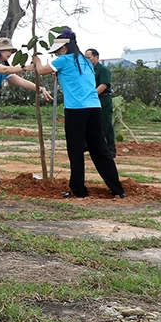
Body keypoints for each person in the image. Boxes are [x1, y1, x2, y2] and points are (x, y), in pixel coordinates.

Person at [32, 29, 126, 199]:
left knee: (75, 150)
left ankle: (78, 190)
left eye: (58, 50)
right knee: (100, 149)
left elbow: (40, 70)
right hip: (94, 107)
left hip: (76, 109)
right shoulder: (85, 61)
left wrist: (36, 59)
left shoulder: (63, 60)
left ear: (63, 48)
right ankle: (117, 189)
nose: (58, 53)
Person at [0, 37, 53, 183]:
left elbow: (21, 82)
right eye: (8, 50)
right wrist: (26, 67)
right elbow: (5, 69)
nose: (11, 53)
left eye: (12, 51)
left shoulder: (3, 68)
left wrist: (40, 89)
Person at [84, 48, 116, 159]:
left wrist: (91, 95)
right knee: (89, 123)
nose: (86, 60)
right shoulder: (86, 70)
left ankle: (111, 149)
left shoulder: (102, 69)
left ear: (96, 57)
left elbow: (103, 85)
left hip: (102, 99)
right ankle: (87, 145)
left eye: (89, 57)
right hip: (90, 100)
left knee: (105, 124)